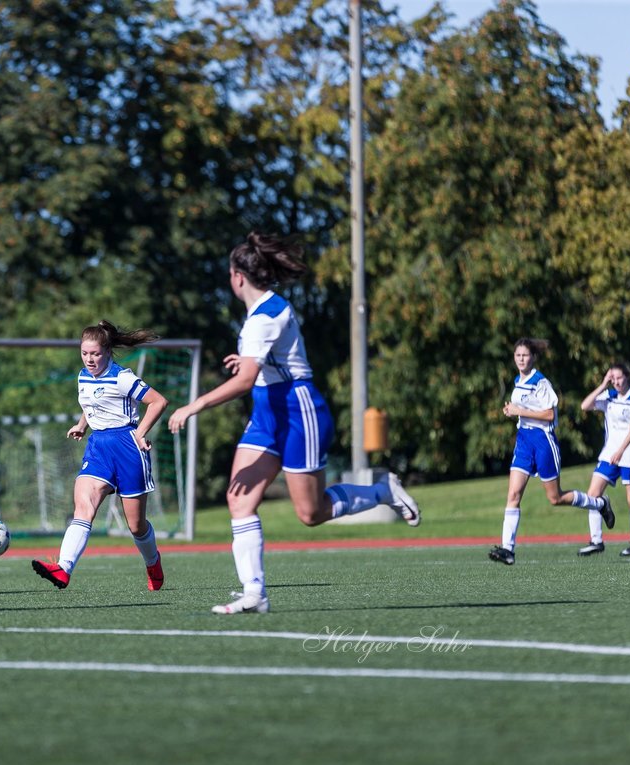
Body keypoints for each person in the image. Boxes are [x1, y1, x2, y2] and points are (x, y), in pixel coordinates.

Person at [167, 232, 420, 615]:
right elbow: (259, 367)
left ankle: (383, 491)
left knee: (311, 513)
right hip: (268, 410)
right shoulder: (261, 313)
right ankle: (254, 593)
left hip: (298, 410)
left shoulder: (265, 317)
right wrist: (250, 365)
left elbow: (246, 379)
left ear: (237, 277)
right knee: (239, 498)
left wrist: (195, 405)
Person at [30, 320, 170, 591]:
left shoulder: (122, 377)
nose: (89, 359)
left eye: (95, 353)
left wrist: (141, 433)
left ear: (107, 351)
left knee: (136, 525)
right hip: (99, 448)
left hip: (128, 447)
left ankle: (153, 562)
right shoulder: (83, 376)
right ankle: (63, 568)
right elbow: (92, 402)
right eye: (85, 353)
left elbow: (158, 401)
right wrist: (82, 425)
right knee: (83, 508)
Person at [487, 338, 614, 566]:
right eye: (518, 355)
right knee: (513, 495)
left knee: (555, 498)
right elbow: (523, 410)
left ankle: (600, 504)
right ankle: (508, 549)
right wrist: (513, 411)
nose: (521, 359)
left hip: (544, 441)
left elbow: (549, 415)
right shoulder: (518, 380)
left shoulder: (541, 382)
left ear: (533, 357)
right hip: (524, 441)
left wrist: (520, 410)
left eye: (525, 355)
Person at [576, 362, 630, 557]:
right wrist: (602, 385)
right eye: (612, 378)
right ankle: (596, 541)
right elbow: (585, 405)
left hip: (629, 456)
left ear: (627, 377)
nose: (615, 381)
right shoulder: (609, 396)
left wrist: (621, 451)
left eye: (618, 377)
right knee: (592, 494)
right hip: (609, 454)